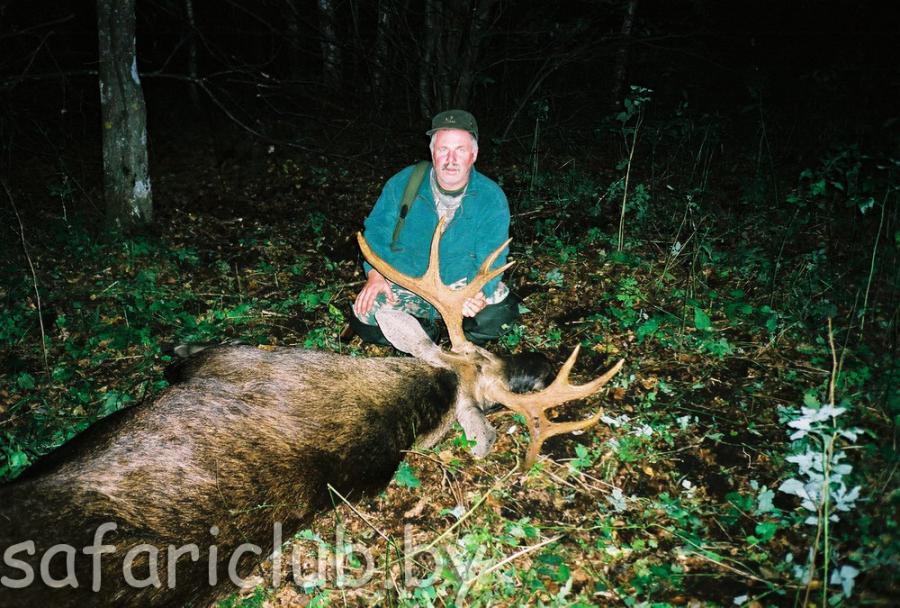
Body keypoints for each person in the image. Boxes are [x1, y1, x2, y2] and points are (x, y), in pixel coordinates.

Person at [351, 109, 519, 347]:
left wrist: (479, 293)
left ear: (473, 154)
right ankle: (426, 331)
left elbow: (493, 255)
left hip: (460, 287)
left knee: (499, 315)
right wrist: (375, 274)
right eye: (443, 149)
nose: (451, 159)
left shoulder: (491, 197)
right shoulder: (404, 183)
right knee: (365, 316)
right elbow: (376, 231)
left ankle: (446, 333)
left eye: (460, 150)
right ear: (432, 152)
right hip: (408, 283)